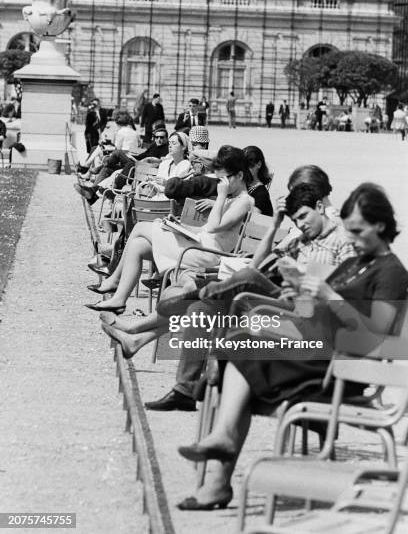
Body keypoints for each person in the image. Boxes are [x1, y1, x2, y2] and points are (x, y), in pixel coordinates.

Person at [176, 183, 408, 510]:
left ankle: (219, 470)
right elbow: (323, 312)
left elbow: (376, 338)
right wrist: (301, 295)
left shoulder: (392, 272)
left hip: (339, 368)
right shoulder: (359, 262)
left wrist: (329, 296)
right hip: (313, 349)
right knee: (239, 338)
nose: (351, 238)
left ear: (380, 226)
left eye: (357, 230)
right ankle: (221, 457)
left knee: (242, 345)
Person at [101, 181, 354, 413]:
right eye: (296, 221)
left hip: (304, 313)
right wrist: (276, 225)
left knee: (247, 279)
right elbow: (259, 262)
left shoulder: (342, 243)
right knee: (200, 310)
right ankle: (184, 390)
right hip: (280, 301)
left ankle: (174, 305)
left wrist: (308, 283)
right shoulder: (304, 238)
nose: (301, 226)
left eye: (303, 218)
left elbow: (343, 295)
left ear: (320, 206)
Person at [95, 145, 253, 316]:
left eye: (225, 179)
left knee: (141, 227)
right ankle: (119, 299)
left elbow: (215, 227)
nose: (221, 184)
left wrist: (221, 196)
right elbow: (209, 228)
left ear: (240, 175)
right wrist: (178, 226)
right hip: (199, 245)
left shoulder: (245, 201)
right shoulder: (233, 198)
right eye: (219, 179)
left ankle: (115, 279)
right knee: (138, 244)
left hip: (208, 255)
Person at [243, 146, 273, 216]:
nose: (244, 170)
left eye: (249, 166)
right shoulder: (243, 185)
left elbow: (251, 219)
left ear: (259, 164)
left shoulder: (261, 194)